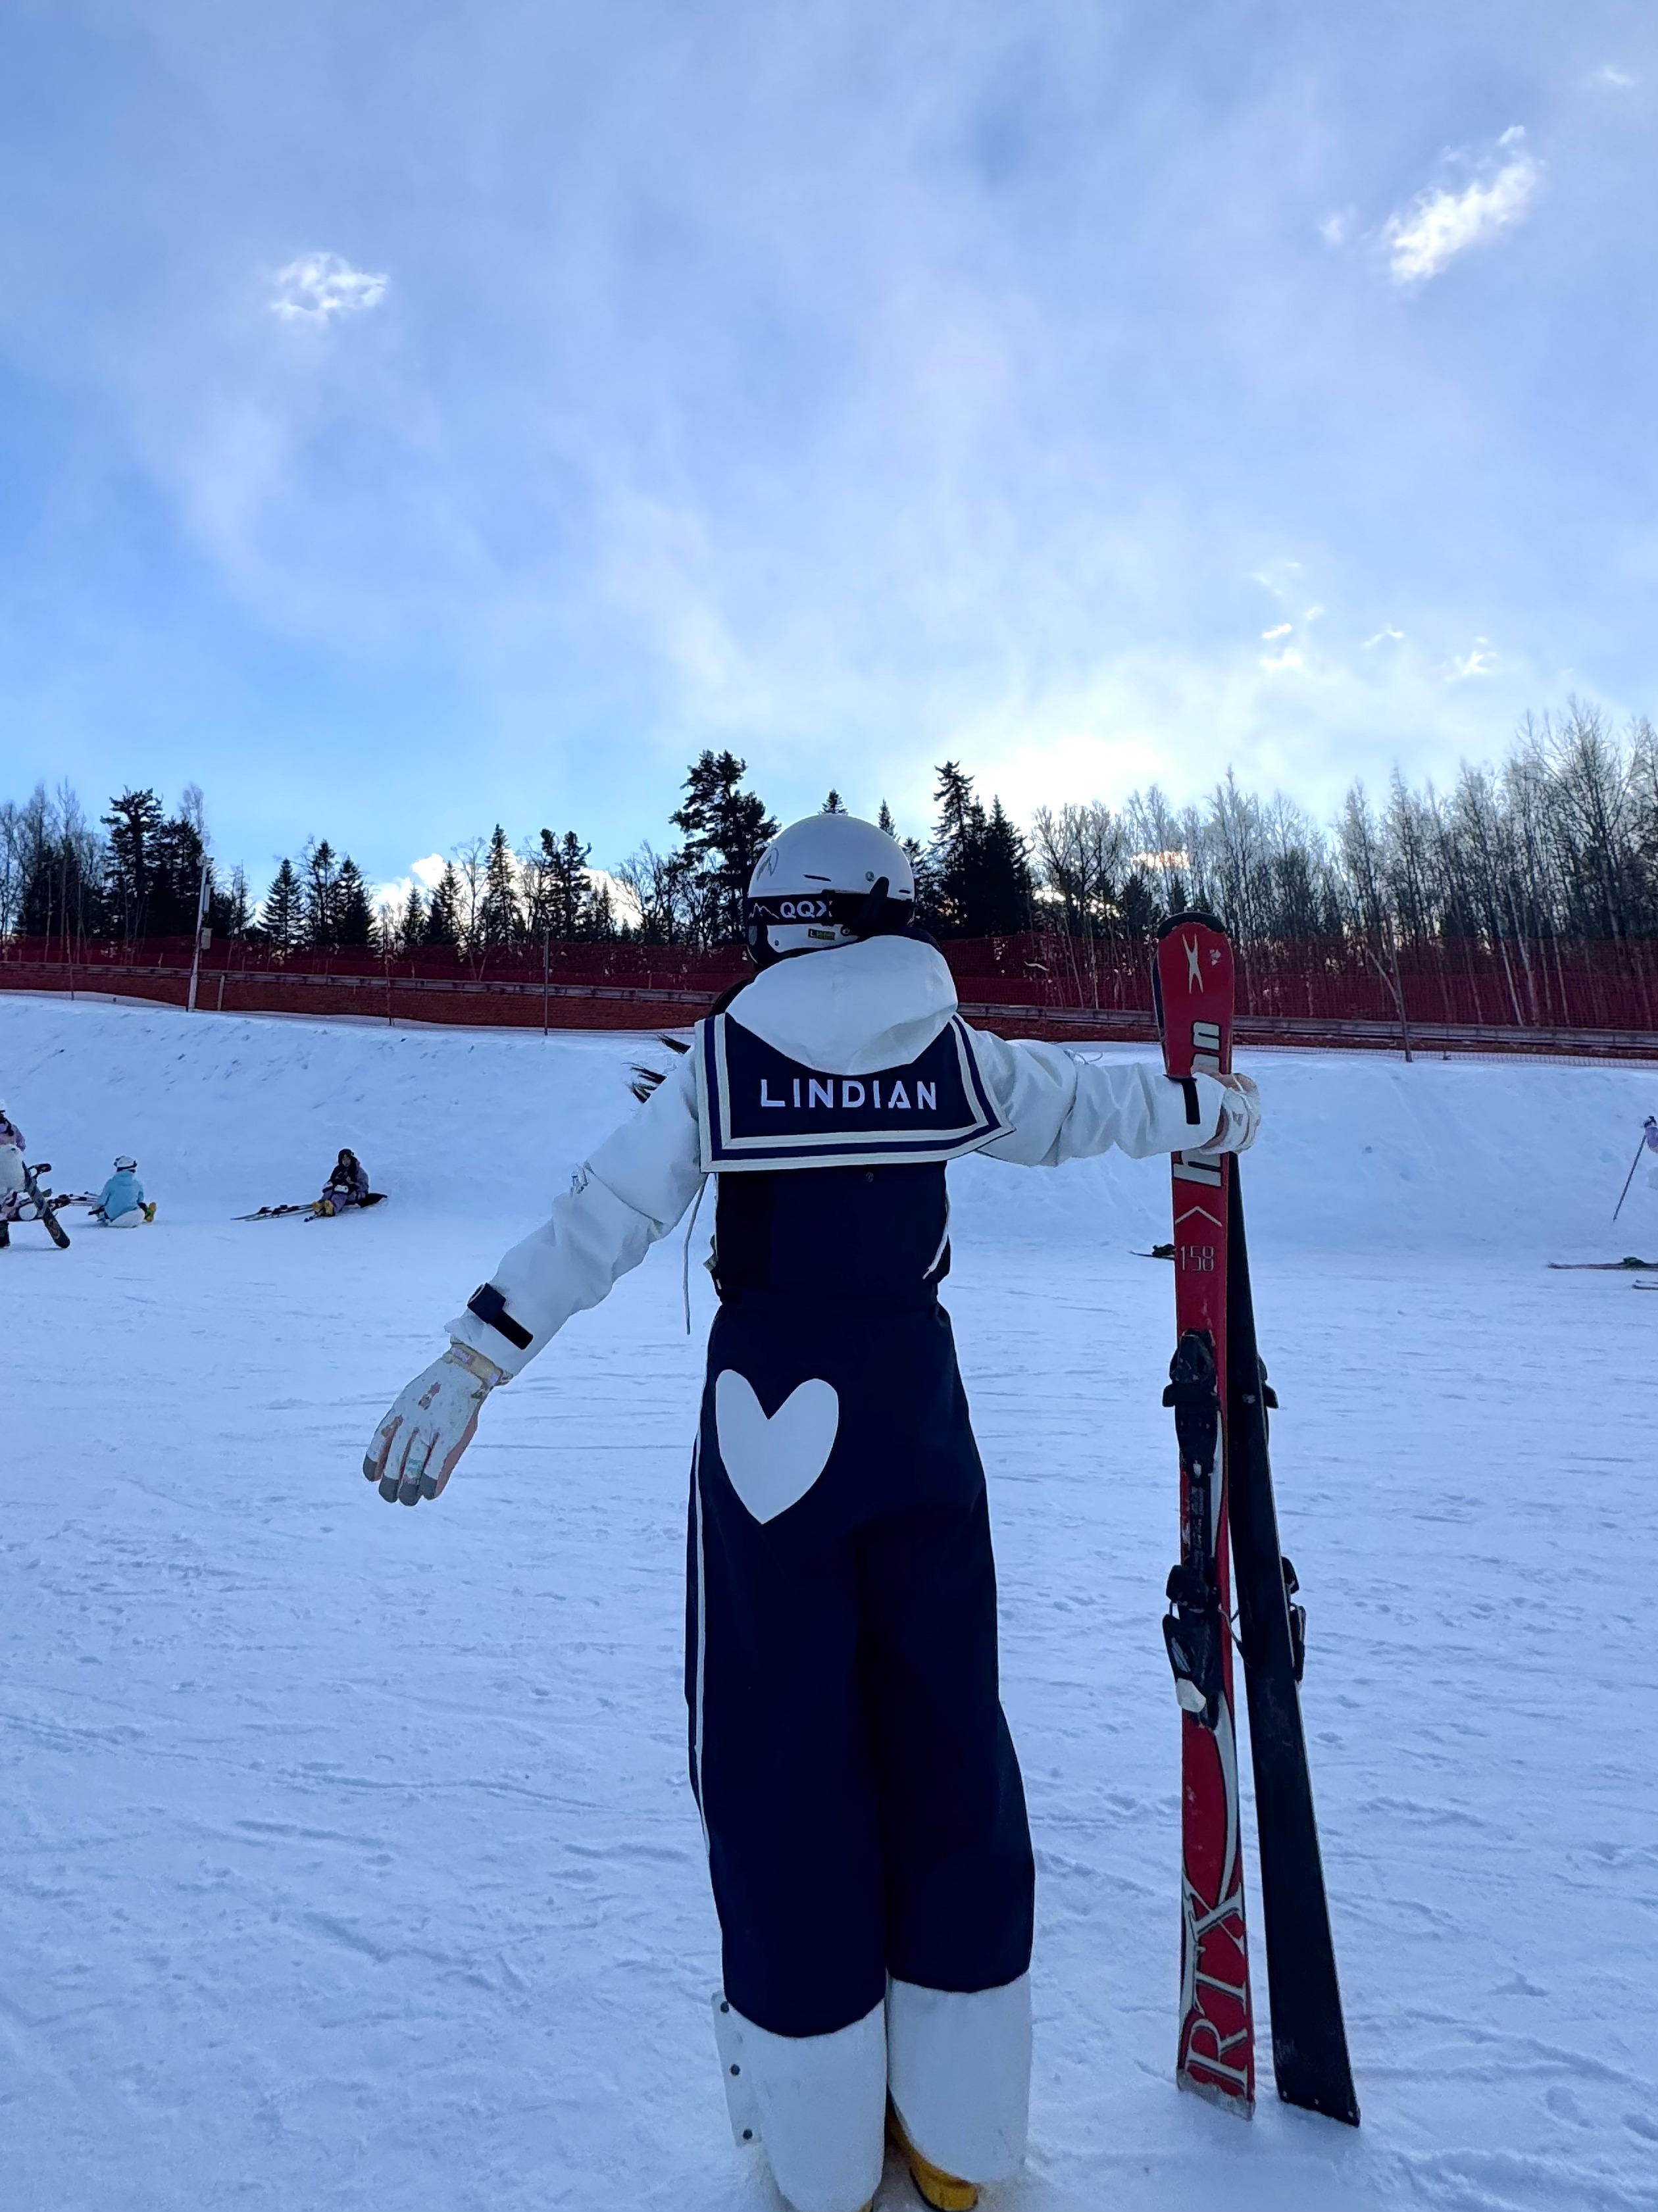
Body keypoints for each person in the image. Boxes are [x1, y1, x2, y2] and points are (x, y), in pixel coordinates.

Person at [362, 815, 1261, 2212]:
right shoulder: (950, 1054)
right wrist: (1202, 1111)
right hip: (920, 1410)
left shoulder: (729, 1062)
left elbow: (604, 1213)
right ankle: (965, 2138)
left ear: (780, 920)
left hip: (769, 1420)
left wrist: (479, 1350)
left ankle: (825, 2140)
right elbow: (1084, 1108)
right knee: (947, 1731)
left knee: (782, 1755)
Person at [93, 1156, 153, 1227]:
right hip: (131, 1213)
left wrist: (97, 1207)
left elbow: (103, 1201)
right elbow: (140, 1200)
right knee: (140, 1208)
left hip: (113, 1217)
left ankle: (103, 1218)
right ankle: (147, 1214)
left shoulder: (111, 1183)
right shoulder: (137, 1184)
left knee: (100, 1207)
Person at [318, 1148, 370, 1215]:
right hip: (341, 1192)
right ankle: (322, 1203)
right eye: (344, 1160)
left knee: (342, 1189)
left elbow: (364, 1187)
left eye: (348, 1159)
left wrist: (352, 1183)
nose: (346, 1162)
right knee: (330, 1188)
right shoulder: (338, 1170)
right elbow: (332, 1181)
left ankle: (333, 1208)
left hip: (356, 1193)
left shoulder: (358, 1171)